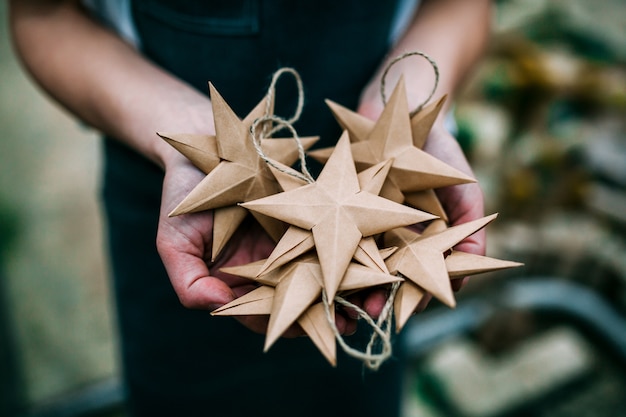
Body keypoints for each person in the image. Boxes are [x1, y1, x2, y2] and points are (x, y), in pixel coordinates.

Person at [8, 1, 491, 416]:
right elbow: (43, 16)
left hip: (381, 226)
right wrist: (194, 144)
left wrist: (404, 118)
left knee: (353, 392)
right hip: (179, 203)